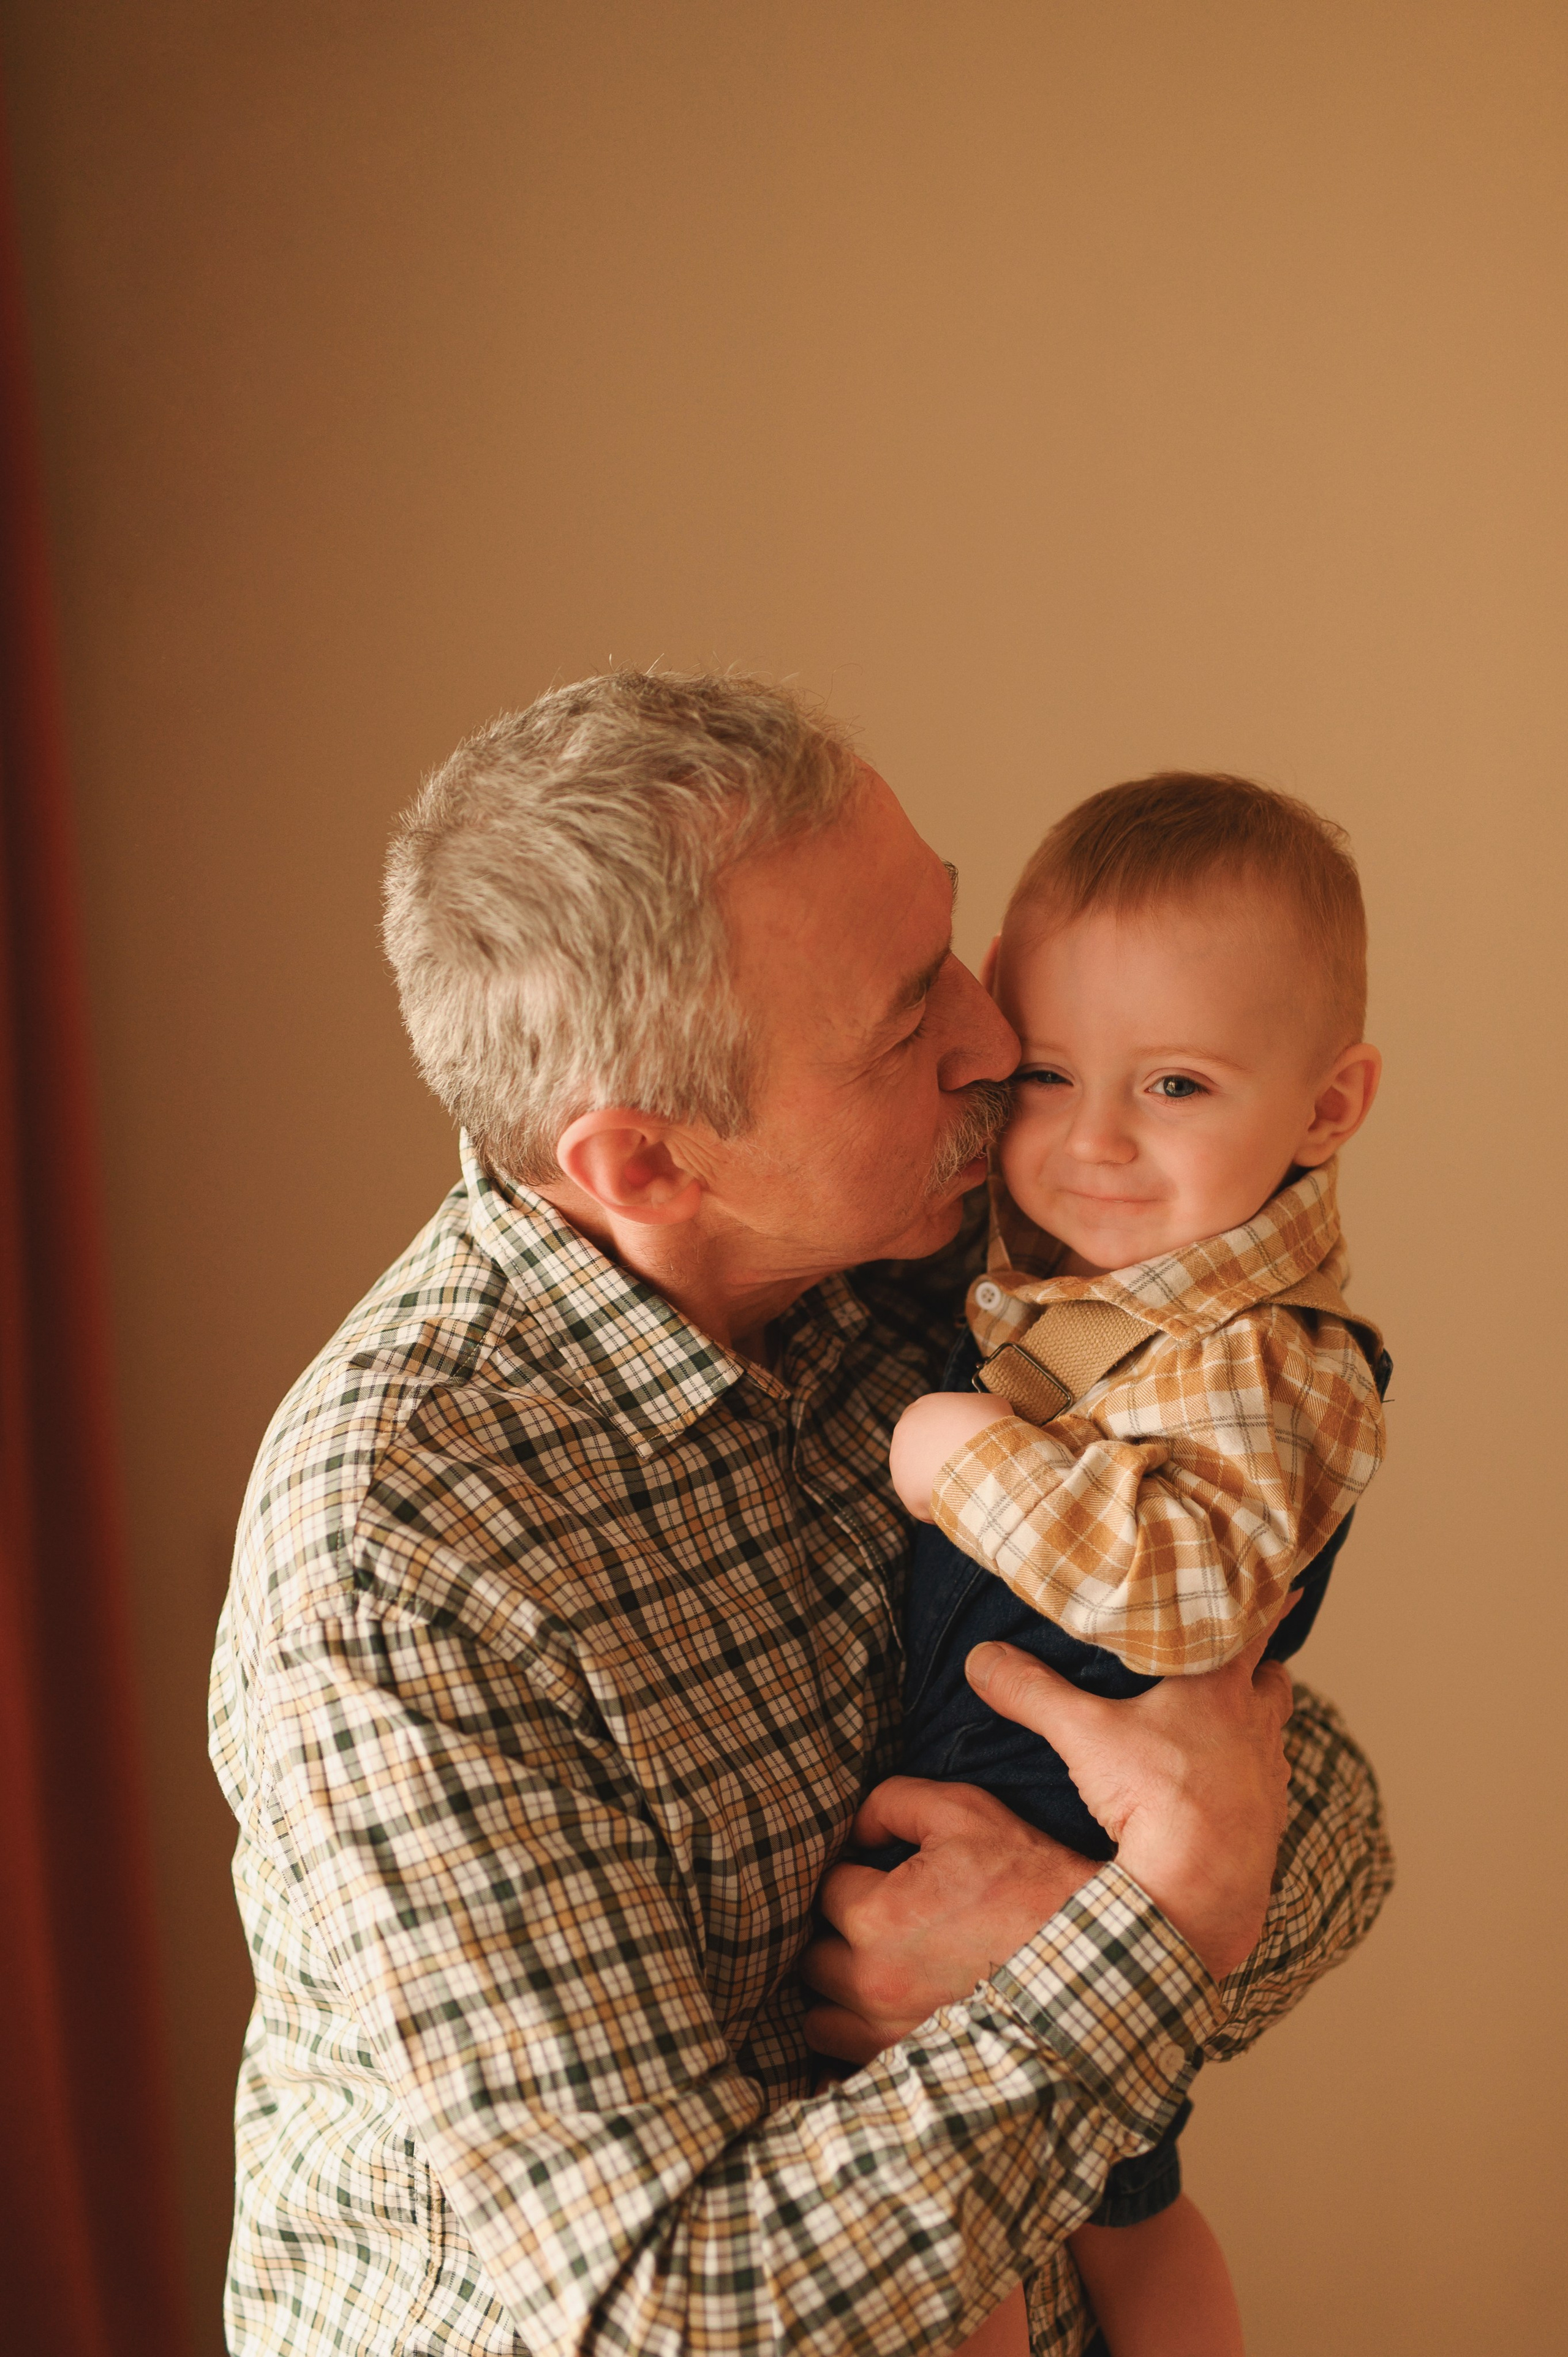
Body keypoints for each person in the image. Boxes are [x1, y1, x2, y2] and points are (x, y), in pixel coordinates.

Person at [209, 674, 1394, 2356]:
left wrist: (1074, 1935)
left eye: (949, 945)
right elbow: (672, 2311)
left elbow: (1330, 1831)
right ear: (645, 1164)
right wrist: (1153, 1929)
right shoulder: (407, 1556)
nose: (1001, 1047)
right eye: (912, 1019)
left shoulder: (939, 1295)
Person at [886, 774, 1390, 2355]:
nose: (1091, 1142)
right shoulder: (1076, 1280)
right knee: (1119, 2210)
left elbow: (1184, 1594)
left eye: (1174, 1085)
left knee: (993, 2243)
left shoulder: (1260, 1359)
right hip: (1023, 1813)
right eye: (1044, 1075)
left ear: (1325, 1109)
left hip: (1074, 1846)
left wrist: (953, 1452)